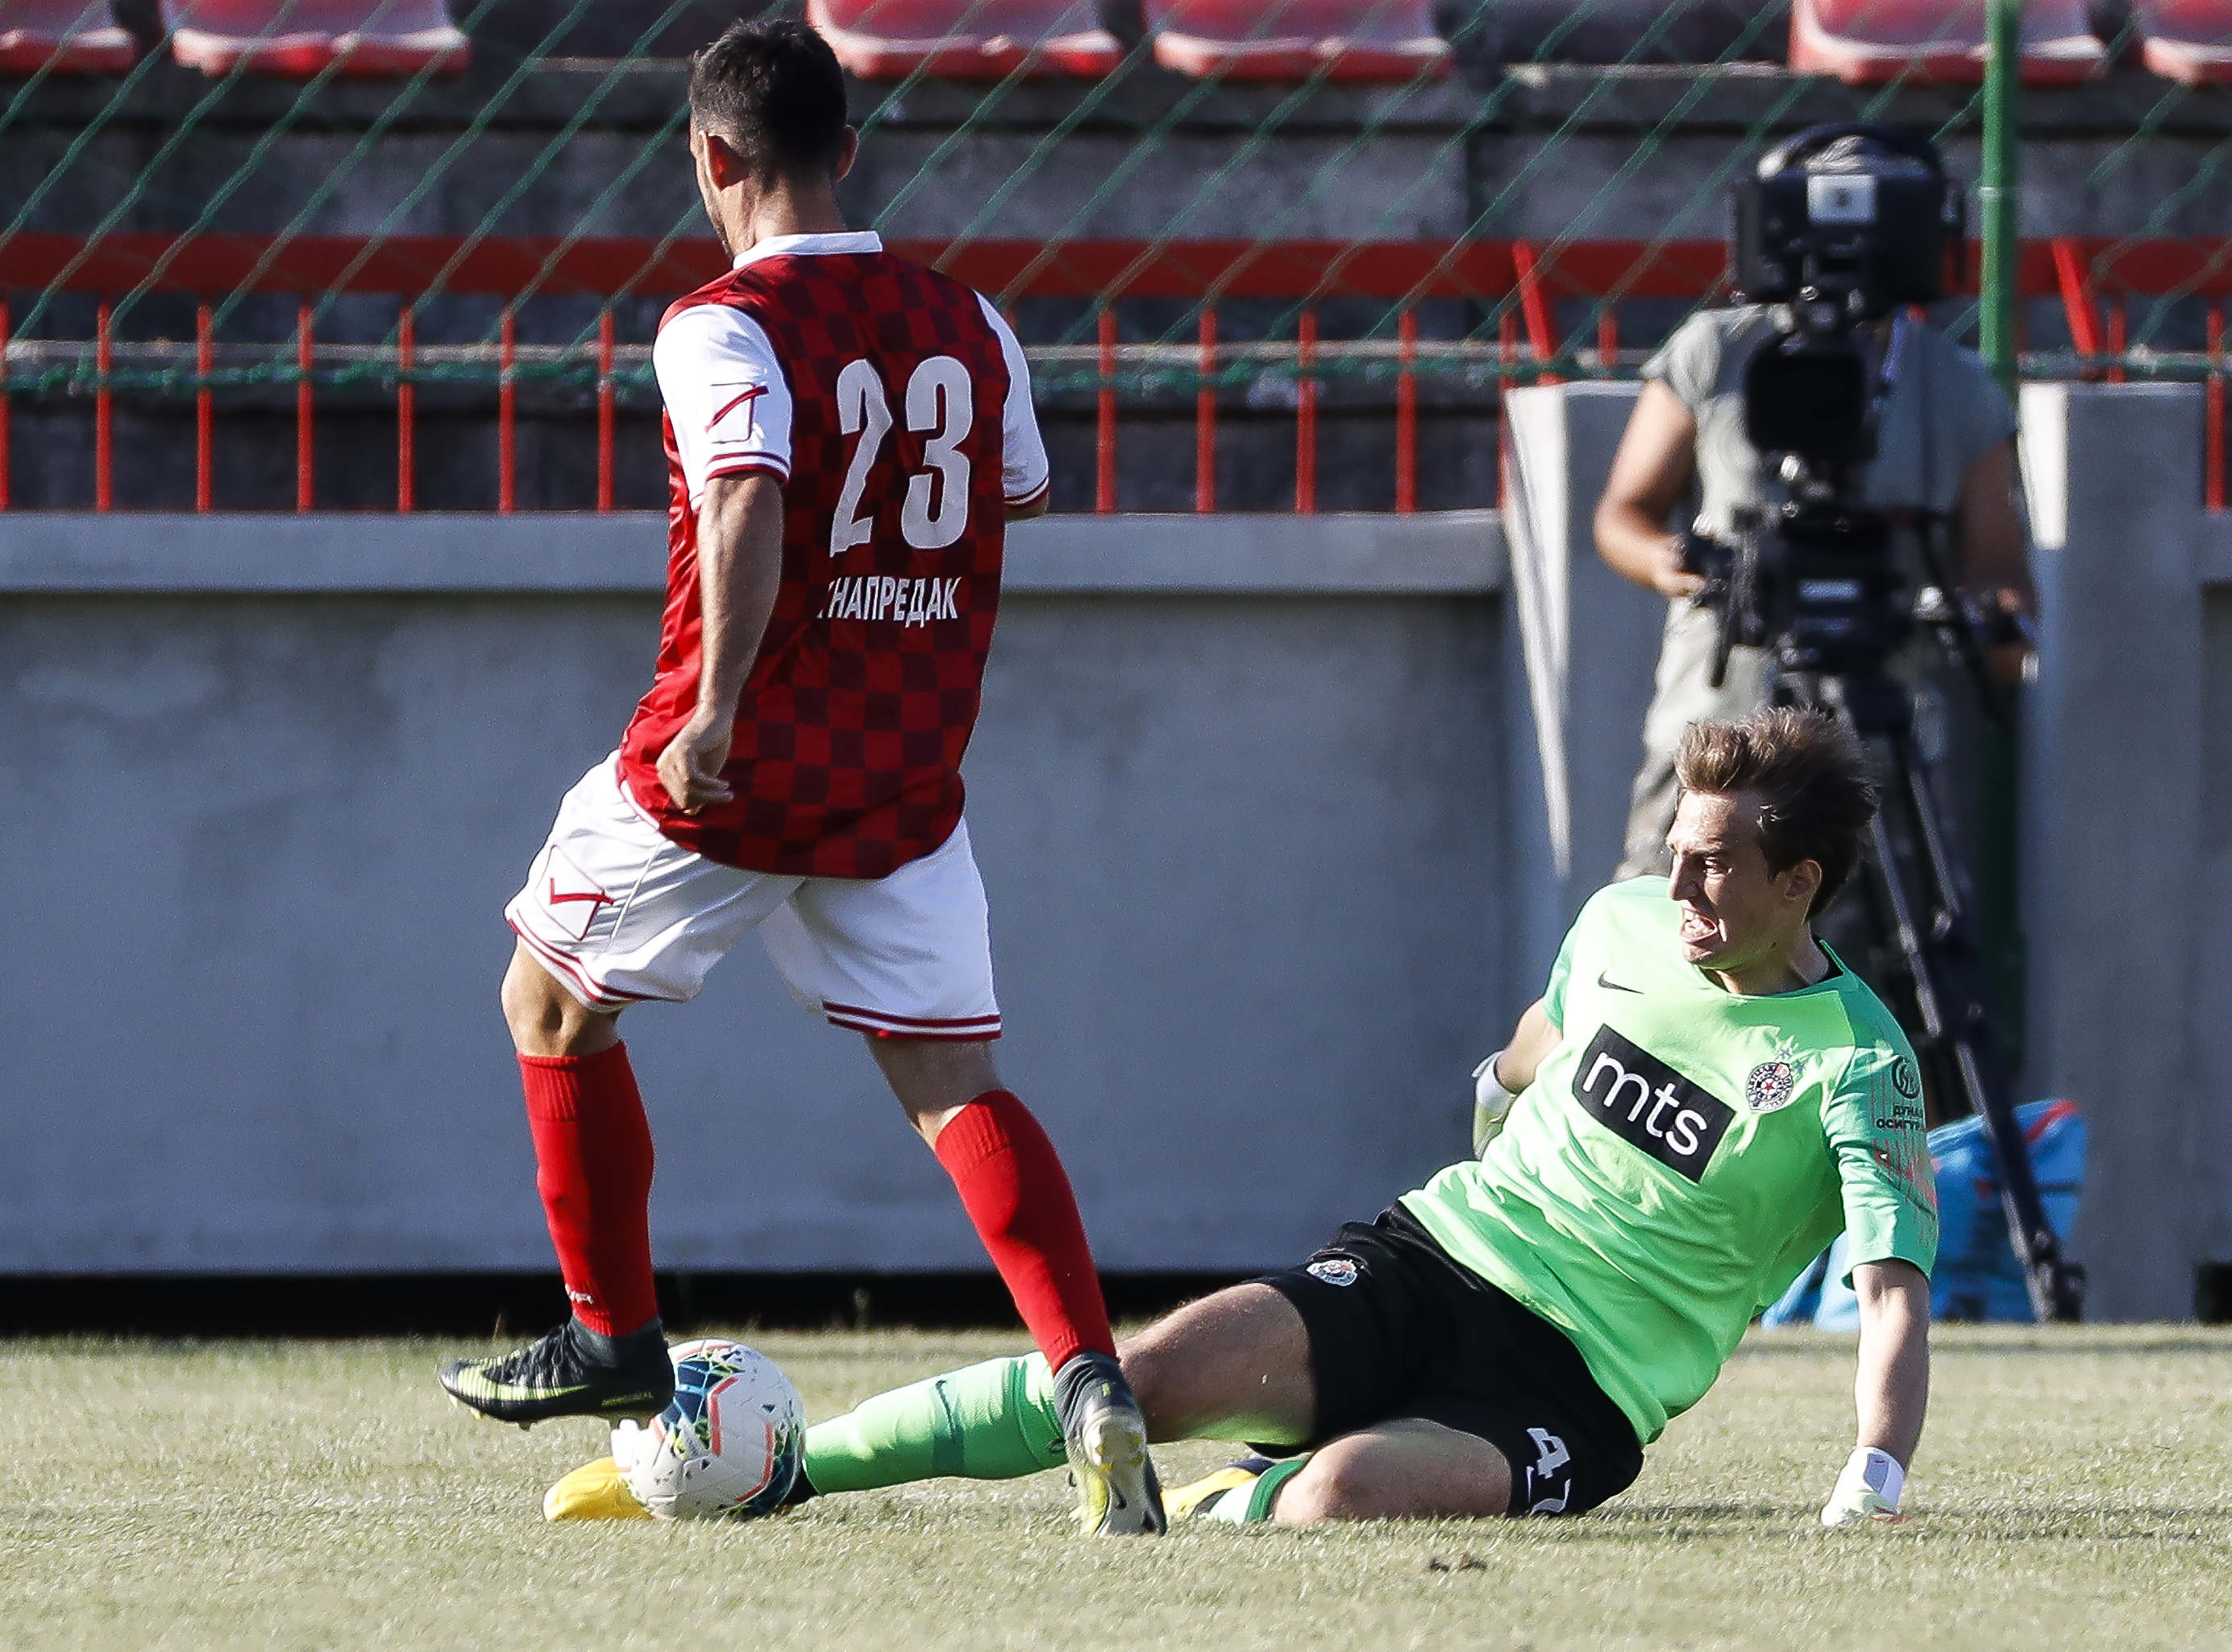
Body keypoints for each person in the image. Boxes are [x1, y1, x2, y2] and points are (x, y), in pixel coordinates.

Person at [550, 708, 1939, 1528]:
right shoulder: (1628, 921)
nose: (1679, 887)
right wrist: (1497, 1091)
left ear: (1800, 884)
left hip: (1580, 1389)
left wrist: (1873, 1471)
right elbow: (1540, 1044)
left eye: (1715, 867)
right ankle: (780, 1470)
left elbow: (1890, 1293)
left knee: (1339, 1500)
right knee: (1138, 1381)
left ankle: (1234, 1499)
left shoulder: (1860, 1066)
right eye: (1677, 855)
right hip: (1436, 1260)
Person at [437, 20, 1164, 1537]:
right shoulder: (973, 320)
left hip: (736, 766)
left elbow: (747, 493)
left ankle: (611, 1330)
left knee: (547, 999)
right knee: (956, 1090)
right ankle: (1088, 1372)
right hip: (903, 777)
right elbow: (1016, 496)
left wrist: (715, 710)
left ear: (711, 158)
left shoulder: (719, 324)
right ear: (848, 147)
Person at [1593, 131, 2033, 883]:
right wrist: (1677, 564)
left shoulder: (1957, 388)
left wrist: (1986, 619)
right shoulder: (1716, 350)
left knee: (1873, 911)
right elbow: (1621, 517)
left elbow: (2003, 582)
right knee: (1667, 914)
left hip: (1884, 715)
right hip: (1721, 714)